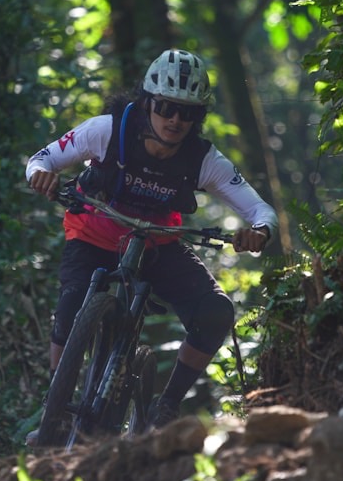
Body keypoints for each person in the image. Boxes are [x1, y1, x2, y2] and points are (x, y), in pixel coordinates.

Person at [25, 48, 278, 432]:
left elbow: (262, 211)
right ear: (147, 103)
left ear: (198, 118)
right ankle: (54, 406)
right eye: (165, 107)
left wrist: (258, 232)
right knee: (73, 300)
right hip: (95, 231)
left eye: (188, 112)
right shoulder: (107, 131)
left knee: (215, 313)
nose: (175, 120)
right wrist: (41, 175)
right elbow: (41, 159)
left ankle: (168, 406)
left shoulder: (203, 159)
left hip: (157, 243)